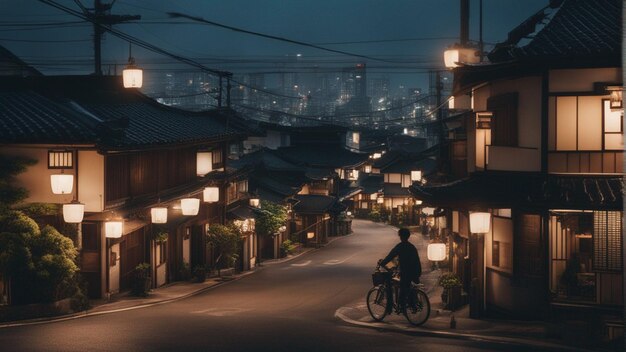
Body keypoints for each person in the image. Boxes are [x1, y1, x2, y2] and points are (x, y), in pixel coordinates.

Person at [380, 228, 422, 311]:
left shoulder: (400, 246)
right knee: (405, 286)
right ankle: (407, 303)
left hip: (407, 272)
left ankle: (403, 306)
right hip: (416, 271)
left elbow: (390, 256)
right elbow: (396, 261)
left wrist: (383, 263)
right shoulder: (412, 247)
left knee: (402, 287)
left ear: (400, 236)